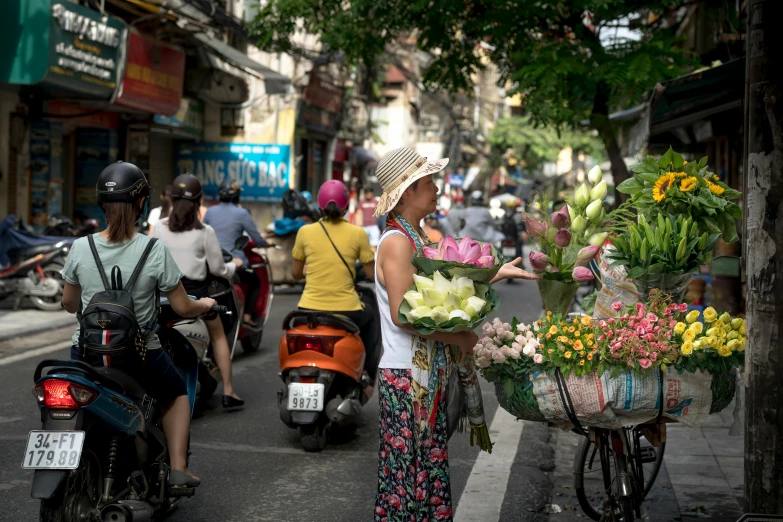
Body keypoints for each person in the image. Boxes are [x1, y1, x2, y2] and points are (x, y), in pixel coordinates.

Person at [371, 147, 538, 521]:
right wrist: (459, 338)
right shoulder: (397, 243)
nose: (436, 189)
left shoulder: (416, 238)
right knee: (407, 477)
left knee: (424, 469)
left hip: (424, 375)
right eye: (429, 182)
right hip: (406, 377)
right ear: (408, 191)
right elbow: (402, 314)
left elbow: (446, 287)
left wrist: (497, 273)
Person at [60, 161, 215, 488]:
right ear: (142, 204)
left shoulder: (79, 248)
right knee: (176, 394)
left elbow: (69, 304)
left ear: (101, 204)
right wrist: (206, 304)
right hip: (140, 354)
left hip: (85, 353)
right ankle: (177, 469)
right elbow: (183, 306)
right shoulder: (153, 250)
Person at [153, 174, 244, 409]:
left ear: (171, 199)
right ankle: (229, 390)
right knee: (219, 335)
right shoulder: (205, 232)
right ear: (198, 202)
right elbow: (218, 269)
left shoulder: (159, 229)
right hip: (195, 300)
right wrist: (236, 265)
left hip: (162, 300)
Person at [290, 180, 379, 392]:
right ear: (346, 206)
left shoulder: (305, 232)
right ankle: (366, 372)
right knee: (372, 316)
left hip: (308, 309)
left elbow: (295, 274)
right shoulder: (358, 233)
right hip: (347, 311)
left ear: (319, 207)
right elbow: (370, 273)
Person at [204, 179, 269, 326]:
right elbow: (258, 239)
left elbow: (203, 234)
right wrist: (267, 243)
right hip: (235, 264)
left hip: (212, 263)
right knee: (255, 281)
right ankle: (247, 317)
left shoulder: (210, 211)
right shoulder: (242, 213)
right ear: (237, 195)